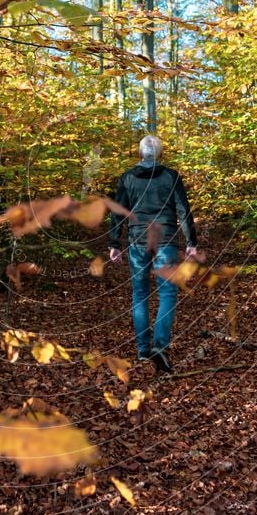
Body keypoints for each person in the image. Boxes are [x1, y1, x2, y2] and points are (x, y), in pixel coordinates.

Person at [108, 135, 199, 373]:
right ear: (159, 154)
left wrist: (114, 243)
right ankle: (159, 346)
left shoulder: (128, 178)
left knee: (140, 293)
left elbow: (118, 211)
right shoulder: (171, 176)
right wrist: (191, 241)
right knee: (167, 291)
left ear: (140, 154)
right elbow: (182, 208)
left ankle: (142, 350)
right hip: (165, 238)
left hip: (138, 240)